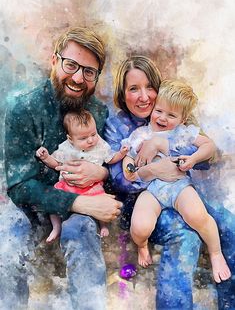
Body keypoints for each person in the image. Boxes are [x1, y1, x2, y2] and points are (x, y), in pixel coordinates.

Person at [4, 26, 122, 310]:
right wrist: (81, 202)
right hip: (29, 208)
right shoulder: (23, 108)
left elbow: (108, 163)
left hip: (79, 208)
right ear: (54, 60)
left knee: (81, 231)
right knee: (8, 238)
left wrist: (104, 173)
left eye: (89, 71)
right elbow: (20, 187)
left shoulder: (98, 112)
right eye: (71, 65)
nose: (79, 78)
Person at [104, 55, 235, 309]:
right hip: (143, 200)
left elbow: (207, 156)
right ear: (122, 92)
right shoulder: (117, 125)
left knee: (228, 223)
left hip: (181, 191)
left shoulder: (172, 107)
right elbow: (121, 180)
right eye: (133, 89)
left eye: (149, 87)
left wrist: (162, 144)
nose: (144, 97)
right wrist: (155, 169)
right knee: (186, 237)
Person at [121, 79, 231, 283]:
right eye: (159, 111)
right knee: (140, 226)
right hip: (152, 190)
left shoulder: (183, 133)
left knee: (198, 215)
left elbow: (209, 146)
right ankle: (142, 245)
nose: (163, 118)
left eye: (171, 115)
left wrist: (194, 158)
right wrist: (129, 168)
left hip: (179, 186)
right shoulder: (142, 134)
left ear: (183, 119)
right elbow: (129, 156)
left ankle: (216, 253)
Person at [36, 109, 128, 242]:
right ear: (70, 139)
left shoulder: (100, 146)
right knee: (54, 201)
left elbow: (110, 158)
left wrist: (121, 153)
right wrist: (46, 157)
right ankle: (56, 227)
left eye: (93, 134)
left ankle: (103, 225)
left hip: (91, 186)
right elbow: (56, 163)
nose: (91, 140)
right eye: (84, 138)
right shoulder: (66, 148)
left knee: (102, 200)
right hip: (67, 184)